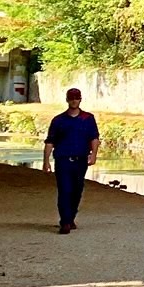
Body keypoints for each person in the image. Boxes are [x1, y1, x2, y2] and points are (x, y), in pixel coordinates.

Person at [41, 88, 99, 235]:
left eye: (76, 98)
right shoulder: (58, 120)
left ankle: (71, 217)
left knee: (77, 190)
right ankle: (65, 221)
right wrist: (46, 161)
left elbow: (94, 138)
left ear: (80, 99)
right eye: (71, 98)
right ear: (67, 100)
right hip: (63, 160)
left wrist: (94, 155)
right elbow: (50, 142)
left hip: (81, 160)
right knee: (64, 190)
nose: (74, 100)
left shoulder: (88, 118)